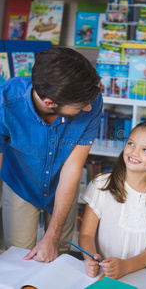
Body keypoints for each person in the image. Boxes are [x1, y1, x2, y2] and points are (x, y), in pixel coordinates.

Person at [0, 47, 103, 263]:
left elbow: (72, 168)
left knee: (59, 253)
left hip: (63, 185)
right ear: (50, 102)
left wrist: (53, 236)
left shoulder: (89, 99)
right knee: (19, 257)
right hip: (20, 183)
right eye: (80, 106)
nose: (88, 108)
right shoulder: (5, 104)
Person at [79, 120, 146, 279]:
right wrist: (90, 258)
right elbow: (86, 235)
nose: (134, 152)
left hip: (145, 276)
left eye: (145, 150)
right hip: (105, 273)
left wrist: (125, 266)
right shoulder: (101, 184)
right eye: (131, 143)